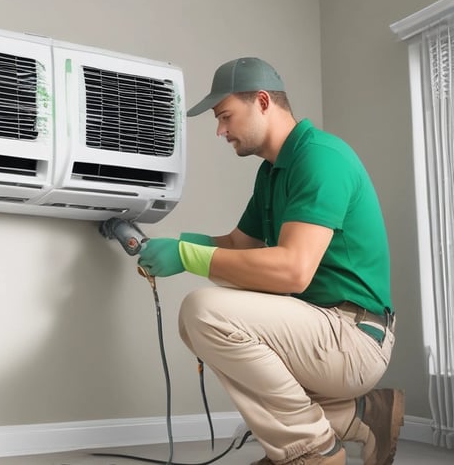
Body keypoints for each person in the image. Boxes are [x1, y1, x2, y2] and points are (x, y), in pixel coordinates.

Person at [137, 57, 403, 465]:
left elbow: (293, 270)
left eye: (225, 116)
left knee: (203, 311)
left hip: (355, 336)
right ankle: (362, 415)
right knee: (199, 326)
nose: (220, 130)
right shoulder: (272, 172)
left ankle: (311, 451)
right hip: (318, 326)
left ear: (262, 101)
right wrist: (177, 245)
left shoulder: (321, 158)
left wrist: (187, 256)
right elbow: (239, 244)